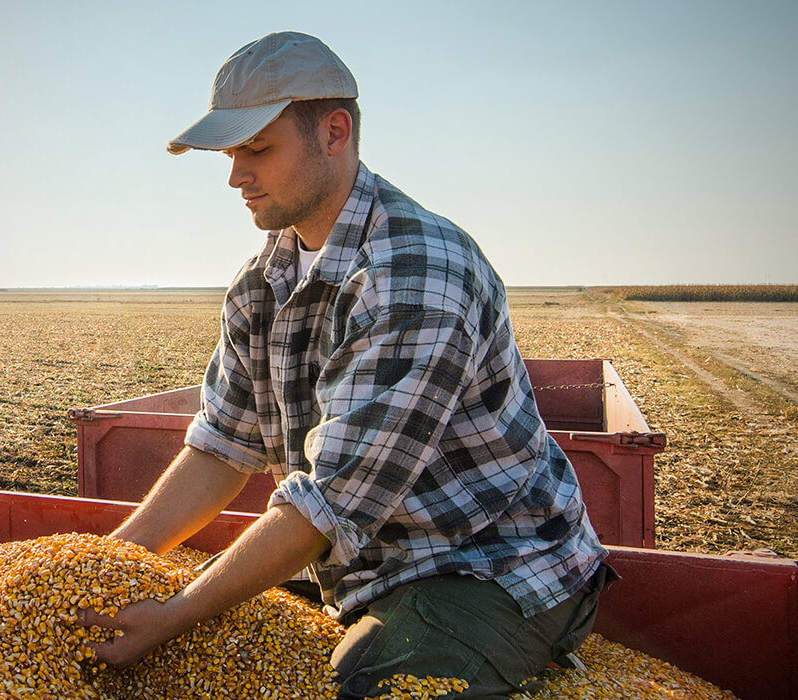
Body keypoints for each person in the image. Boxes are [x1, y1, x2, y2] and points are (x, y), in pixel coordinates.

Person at [81, 31, 615, 698]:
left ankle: (528, 648)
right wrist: (108, 563)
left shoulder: (416, 271)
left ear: (335, 132)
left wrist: (170, 616)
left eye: (258, 149)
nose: (235, 175)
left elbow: (329, 504)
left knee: (377, 679)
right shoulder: (261, 281)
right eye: (230, 153)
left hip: (493, 563)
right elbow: (222, 446)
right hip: (365, 561)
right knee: (215, 639)